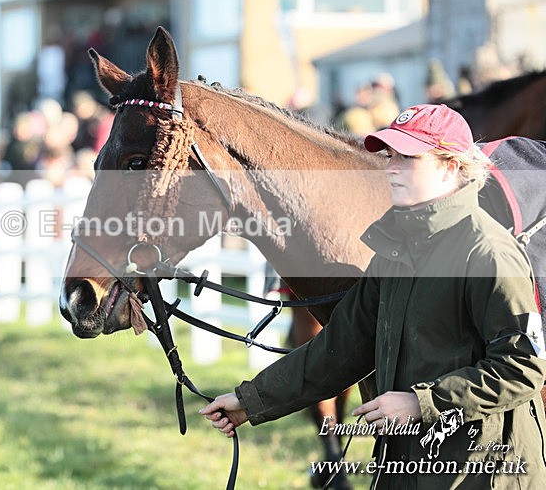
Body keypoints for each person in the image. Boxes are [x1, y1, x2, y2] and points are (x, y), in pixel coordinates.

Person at [200, 104, 546, 488]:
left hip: (484, 473)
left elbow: (523, 367)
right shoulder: (394, 251)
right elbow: (339, 348)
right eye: (391, 155)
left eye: (408, 158)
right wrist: (250, 401)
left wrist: (421, 404)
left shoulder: (488, 254)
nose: (391, 168)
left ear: (450, 167)